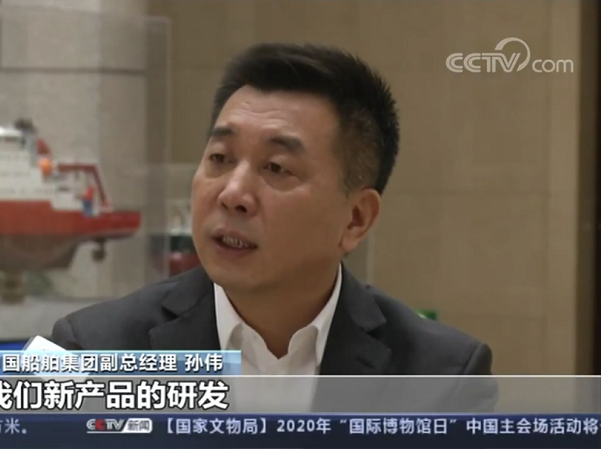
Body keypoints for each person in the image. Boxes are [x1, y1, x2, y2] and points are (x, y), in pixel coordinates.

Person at [52, 44, 496, 404]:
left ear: (356, 219)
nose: (232, 194)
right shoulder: (91, 352)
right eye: (220, 158)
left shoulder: (441, 377)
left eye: (276, 168)